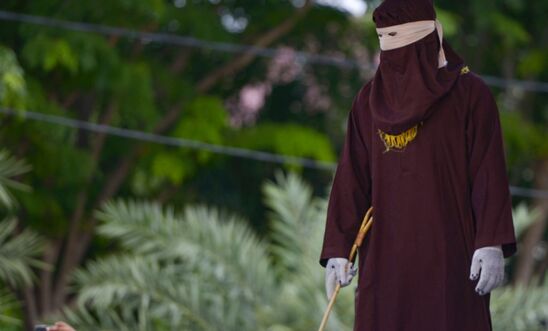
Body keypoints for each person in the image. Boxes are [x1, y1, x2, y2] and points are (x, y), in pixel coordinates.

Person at [319, 0, 517, 330]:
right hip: (385, 264)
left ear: (428, 42)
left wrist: (490, 243)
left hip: (453, 259)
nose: (396, 66)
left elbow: (489, 175)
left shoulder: (470, 95)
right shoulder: (367, 102)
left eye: (403, 52)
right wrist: (339, 250)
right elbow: (351, 180)